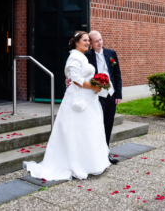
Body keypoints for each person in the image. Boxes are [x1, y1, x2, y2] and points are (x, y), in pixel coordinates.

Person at [23, 31, 110, 181]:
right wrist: (94, 87)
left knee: (88, 130)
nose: (88, 43)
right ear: (76, 42)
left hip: (88, 99)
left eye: (88, 40)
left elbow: (75, 76)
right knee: (76, 131)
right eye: (84, 40)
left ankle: (89, 163)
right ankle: (76, 163)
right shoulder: (74, 56)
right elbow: (76, 79)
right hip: (79, 99)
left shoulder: (81, 56)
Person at [67, 30, 122, 164]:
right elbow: (76, 70)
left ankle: (106, 153)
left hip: (111, 94)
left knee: (108, 125)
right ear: (90, 43)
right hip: (96, 96)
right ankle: (97, 155)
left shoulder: (111, 53)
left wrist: (118, 94)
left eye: (101, 40)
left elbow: (117, 74)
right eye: (96, 41)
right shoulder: (86, 55)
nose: (100, 43)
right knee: (98, 126)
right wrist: (68, 77)